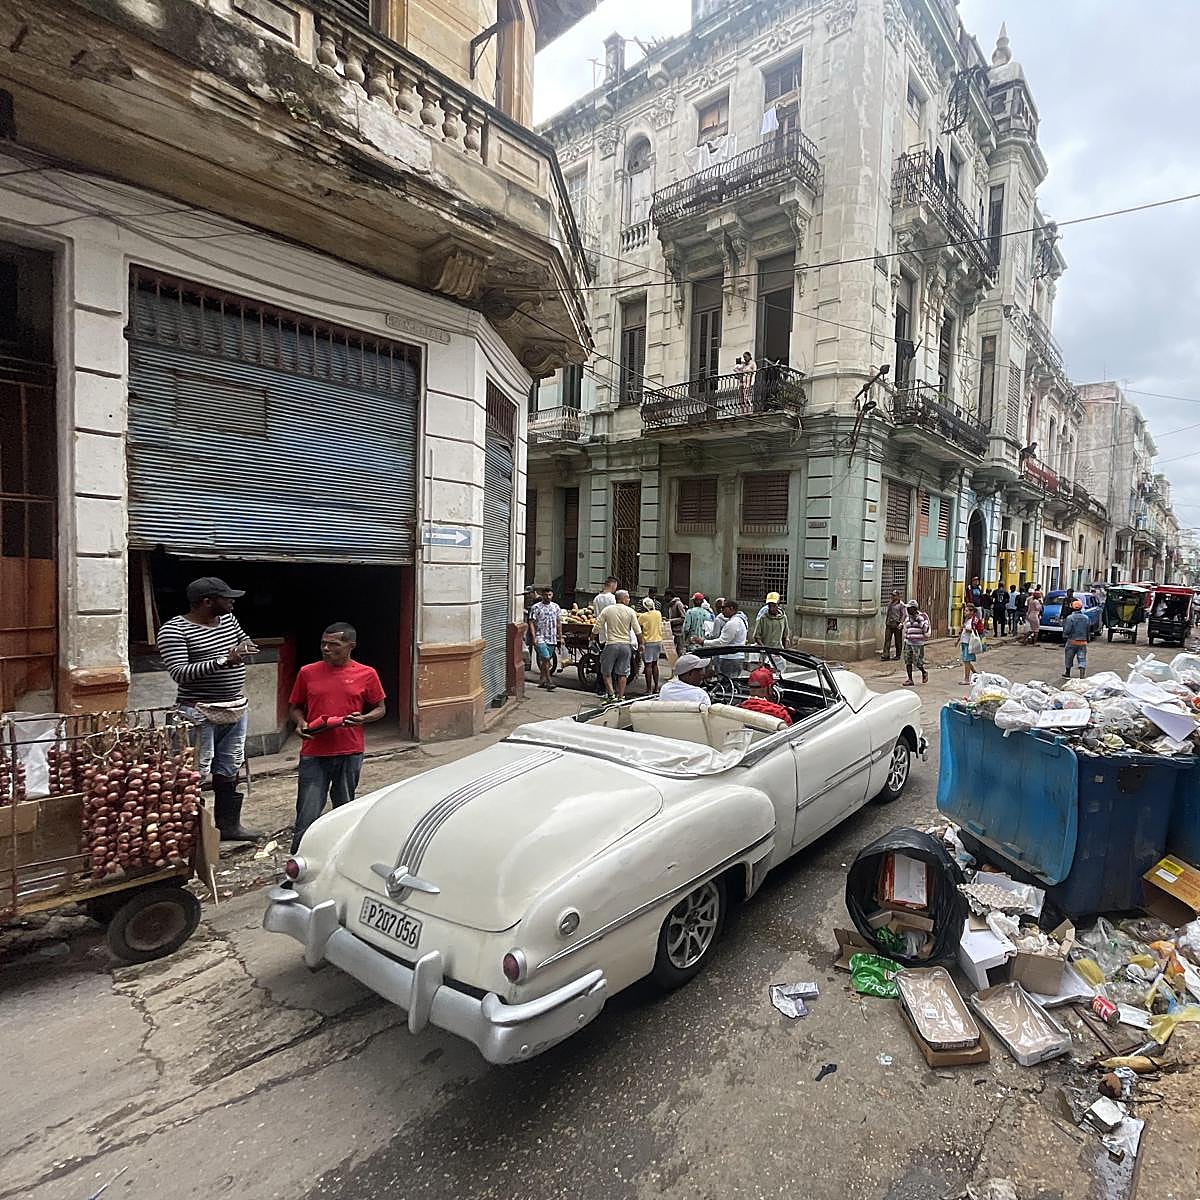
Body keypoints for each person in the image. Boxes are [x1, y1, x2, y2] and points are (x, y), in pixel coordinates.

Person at [157, 576, 261, 842]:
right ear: (207, 602)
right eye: (226, 598)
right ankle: (192, 833)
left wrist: (242, 649)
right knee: (193, 773)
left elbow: (245, 642)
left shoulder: (228, 620)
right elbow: (180, 673)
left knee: (229, 767)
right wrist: (224, 659)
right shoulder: (174, 630)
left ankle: (228, 827)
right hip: (196, 711)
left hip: (235, 707)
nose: (233, 602)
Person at [288, 623, 386, 853]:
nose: (326, 648)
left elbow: (380, 708)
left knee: (344, 808)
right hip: (314, 752)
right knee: (307, 812)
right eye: (323, 643)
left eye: (334, 644)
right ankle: (299, 859)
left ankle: (341, 855)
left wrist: (364, 718)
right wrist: (300, 723)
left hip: (349, 750)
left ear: (350, 646)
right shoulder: (307, 672)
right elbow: (295, 707)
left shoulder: (367, 674)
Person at [595, 589, 644, 702]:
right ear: (621, 599)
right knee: (623, 673)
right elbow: (638, 631)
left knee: (606, 672)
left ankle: (611, 695)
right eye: (627, 597)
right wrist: (641, 643)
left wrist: (592, 638)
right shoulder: (631, 611)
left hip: (611, 644)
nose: (629, 599)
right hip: (625, 646)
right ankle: (621, 697)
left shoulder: (607, 610)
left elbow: (597, 626)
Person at [527, 585, 563, 691]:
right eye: (546, 595)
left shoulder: (556, 607)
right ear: (542, 595)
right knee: (546, 658)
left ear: (552, 595)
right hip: (540, 636)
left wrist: (560, 637)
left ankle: (542, 679)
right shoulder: (536, 607)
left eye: (550, 595)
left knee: (546, 660)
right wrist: (534, 637)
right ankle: (549, 681)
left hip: (552, 637)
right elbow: (531, 622)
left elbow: (558, 622)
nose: (548, 597)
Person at [703, 599, 748, 678]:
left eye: (723, 608)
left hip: (730, 658)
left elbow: (722, 642)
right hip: (735, 657)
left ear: (731, 608)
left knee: (726, 682)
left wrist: (704, 642)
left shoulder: (733, 623)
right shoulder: (740, 620)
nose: (722, 611)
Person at [590, 576, 620, 695]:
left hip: (602, 634)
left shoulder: (597, 598)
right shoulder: (613, 599)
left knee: (602, 661)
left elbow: (597, 617)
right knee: (612, 665)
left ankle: (600, 687)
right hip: (613, 634)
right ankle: (610, 689)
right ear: (612, 585)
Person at [637, 597, 666, 695]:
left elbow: (638, 625)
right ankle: (656, 687)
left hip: (648, 642)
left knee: (648, 665)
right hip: (658, 641)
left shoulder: (643, 616)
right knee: (655, 664)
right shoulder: (658, 613)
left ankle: (649, 689)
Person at [902, 601, 930, 687]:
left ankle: (924, 672)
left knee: (918, 662)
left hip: (918, 643)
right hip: (908, 642)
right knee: (908, 661)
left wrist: (919, 621)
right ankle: (910, 679)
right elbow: (906, 629)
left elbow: (926, 629)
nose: (907, 610)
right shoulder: (907, 618)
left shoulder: (922, 617)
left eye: (909, 608)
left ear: (913, 609)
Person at [1062, 598, 1090, 679]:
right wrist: (1087, 639)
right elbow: (1088, 630)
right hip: (1082, 642)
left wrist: (1065, 636)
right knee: (1082, 658)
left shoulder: (1070, 618)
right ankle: (1082, 675)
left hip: (1072, 641)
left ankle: (1067, 673)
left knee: (1069, 657)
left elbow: (1067, 630)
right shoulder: (1086, 618)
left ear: (1072, 608)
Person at [959, 602, 985, 683]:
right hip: (964, 642)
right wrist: (958, 640)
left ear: (972, 612)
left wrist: (970, 630)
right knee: (965, 660)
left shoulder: (975, 620)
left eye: (966, 611)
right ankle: (975, 673)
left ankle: (966, 679)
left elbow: (980, 630)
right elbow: (962, 631)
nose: (964, 612)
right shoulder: (967, 620)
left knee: (966, 660)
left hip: (969, 642)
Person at [881, 590, 905, 661]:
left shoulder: (901, 605)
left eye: (894, 595)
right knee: (887, 639)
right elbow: (888, 613)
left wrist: (901, 623)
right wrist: (886, 622)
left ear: (898, 596)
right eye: (892, 595)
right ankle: (886, 655)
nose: (892, 597)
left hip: (897, 624)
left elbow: (903, 615)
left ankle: (898, 655)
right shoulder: (890, 604)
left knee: (898, 640)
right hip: (889, 624)